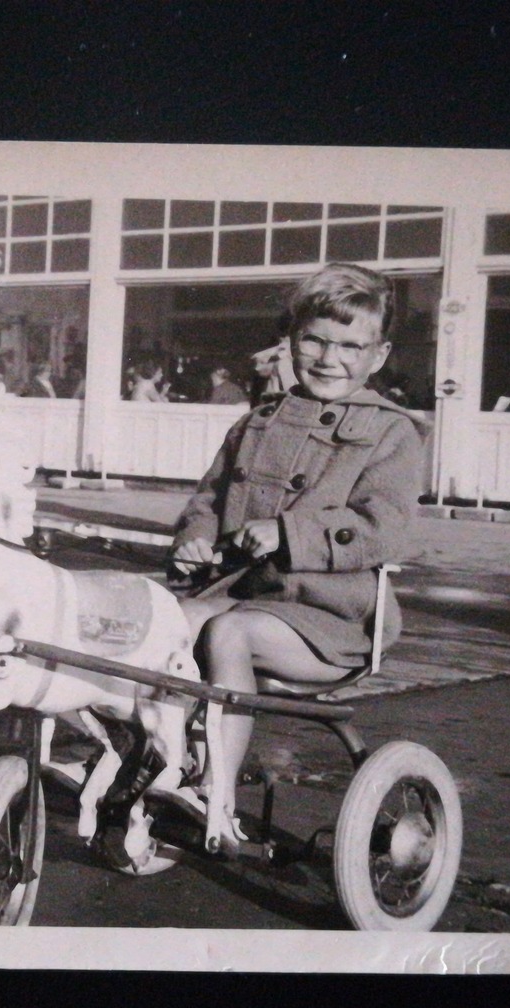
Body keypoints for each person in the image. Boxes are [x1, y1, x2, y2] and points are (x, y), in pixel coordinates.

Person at [170, 263, 423, 854]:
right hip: (242, 591)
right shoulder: (255, 422)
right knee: (164, 623)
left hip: (334, 617)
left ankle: (218, 794)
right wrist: (193, 540)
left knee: (229, 633)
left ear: (378, 356)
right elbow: (207, 498)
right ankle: (163, 763)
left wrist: (290, 534)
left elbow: (384, 529)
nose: (329, 358)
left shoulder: (391, 433)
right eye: (314, 339)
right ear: (291, 341)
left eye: (351, 346)